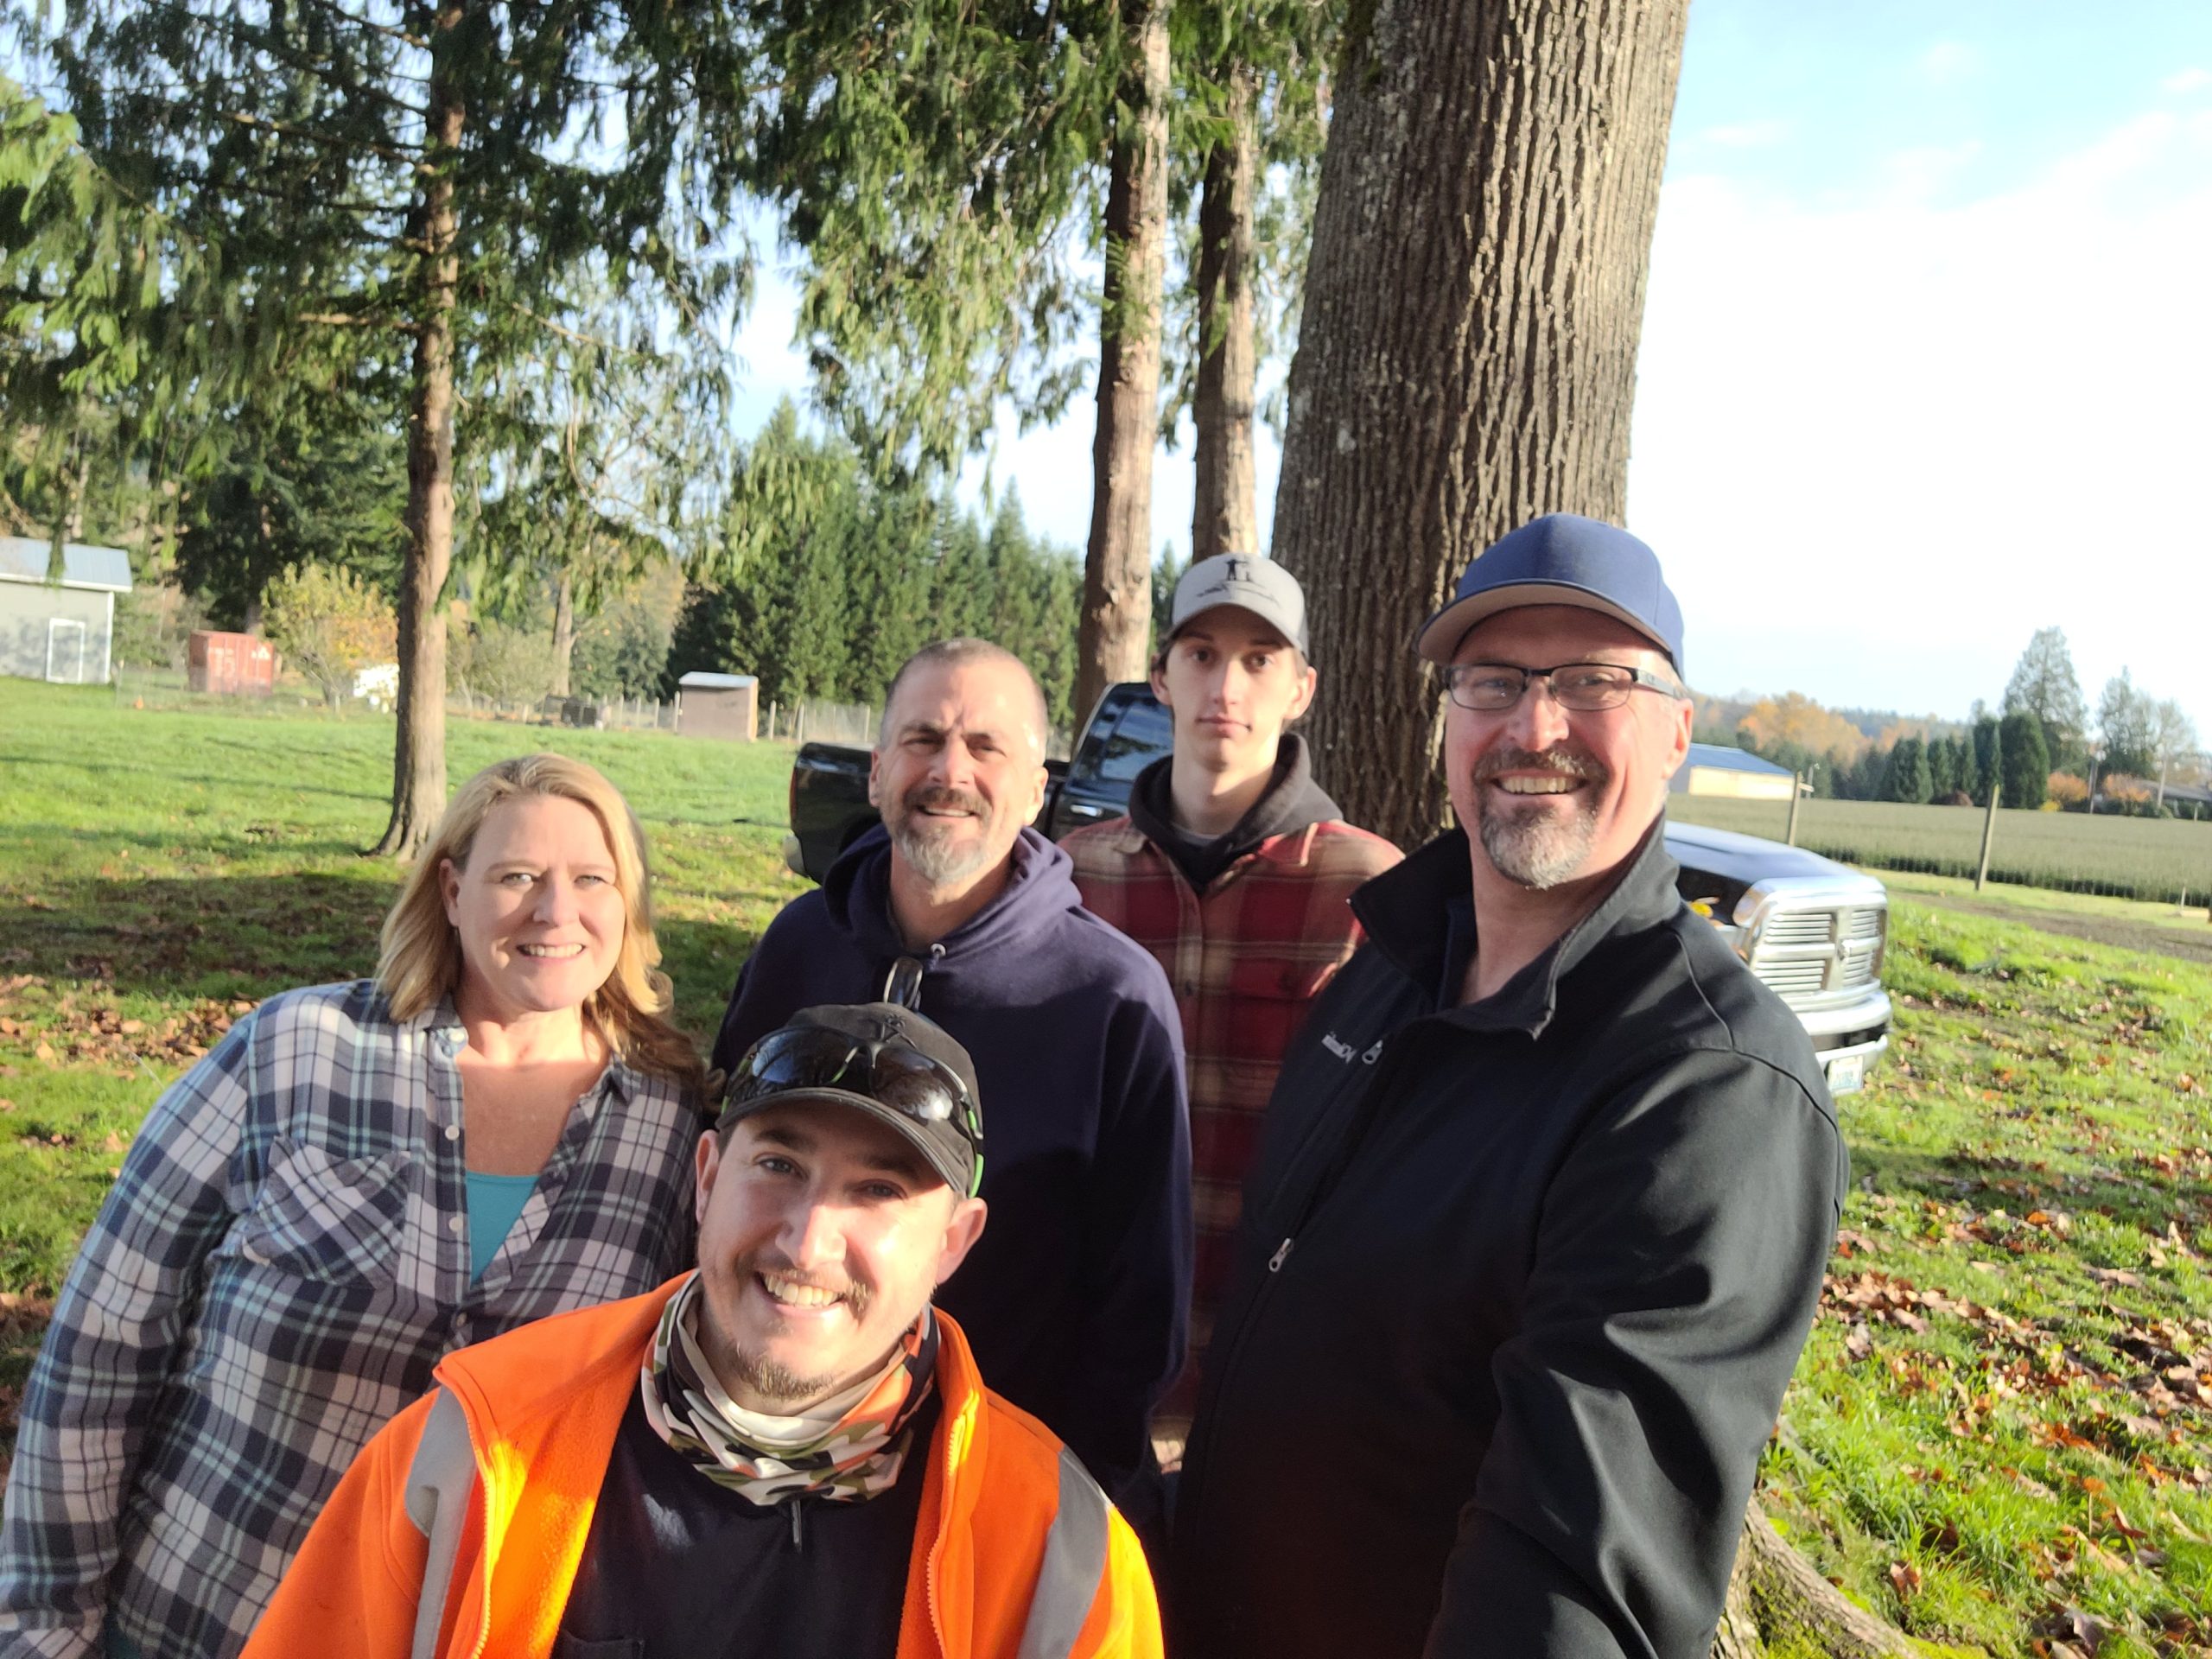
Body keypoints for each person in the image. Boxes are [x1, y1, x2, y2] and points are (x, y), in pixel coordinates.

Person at [1172, 515, 1849, 1659]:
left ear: (1678, 732)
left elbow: (1577, 1576)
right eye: (1494, 681)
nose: (1535, 727)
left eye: (1593, 682)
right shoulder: (1383, 973)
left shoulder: (1703, 1091)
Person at [1, 755, 707, 1659]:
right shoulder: (294, 1052)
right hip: (204, 1620)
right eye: (517, 876)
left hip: (453, 1636)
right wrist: (47, 1626)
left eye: (590, 879)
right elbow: (100, 1351)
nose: (554, 911)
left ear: (629, 904)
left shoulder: (668, 1131)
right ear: (451, 891)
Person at [240, 1003, 1163, 1659]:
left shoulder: (1060, 1556)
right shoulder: (477, 1447)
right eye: (778, 1165)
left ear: (955, 1243)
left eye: (878, 1191)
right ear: (707, 1176)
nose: (807, 1243)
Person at [709, 639, 1190, 1524]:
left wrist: (1068, 1496)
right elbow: (719, 1182)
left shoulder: (1110, 997)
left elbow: (1140, 1300)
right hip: (761, 1461)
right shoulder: (797, 948)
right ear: (878, 769)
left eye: (985, 747)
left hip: (990, 1480)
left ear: (1038, 786)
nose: (949, 770)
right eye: (923, 739)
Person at [1059, 555, 1398, 1429]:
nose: (1226, 684)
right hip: (1090, 1363)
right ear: (1161, 679)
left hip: (1277, 1382)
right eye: (1201, 654)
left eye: (1259, 659)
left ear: (1301, 689)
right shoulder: (1075, 877)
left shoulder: (1371, 893)